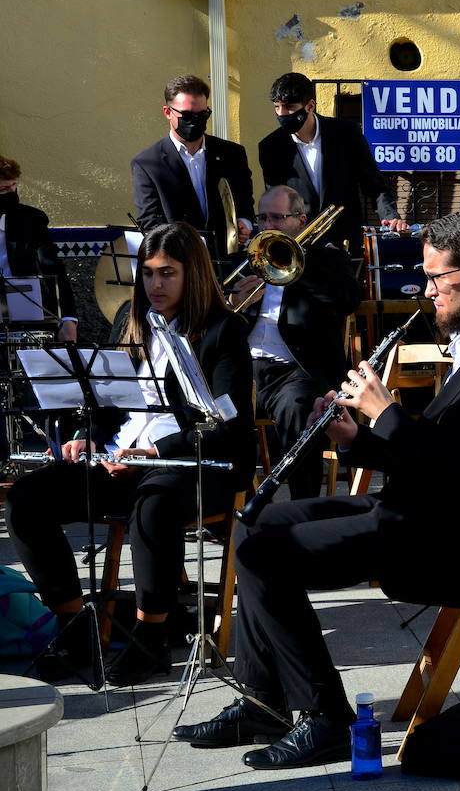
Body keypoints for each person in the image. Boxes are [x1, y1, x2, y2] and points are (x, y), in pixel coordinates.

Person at [171, 209, 460, 770]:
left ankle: (325, 716)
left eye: (436, 278)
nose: (428, 291)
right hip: (417, 511)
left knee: (264, 554)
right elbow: (434, 450)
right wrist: (354, 436)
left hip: (442, 539)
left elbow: (457, 472)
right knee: (255, 524)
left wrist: (386, 411)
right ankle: (262, 703)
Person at [5, 222, 256, 685]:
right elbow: (107, 398)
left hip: (193, 462)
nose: (155, 284)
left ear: (193, 274)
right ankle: (76, 629)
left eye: (168, 273)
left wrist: (153, 450)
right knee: (26, 499)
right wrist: (87, 434)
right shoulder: (130, 320)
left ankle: (150, 638)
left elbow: (226, 422)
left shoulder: (224, 330)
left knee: (154, 505)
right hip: (121, 458)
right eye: (149, 273)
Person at [228, 186, 361, 500]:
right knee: (210, 411)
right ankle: (227, 506)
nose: (268, 225)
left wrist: (299, 269)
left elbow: (350, 300)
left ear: (301, 220)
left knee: (298, 409)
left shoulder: (326, 259)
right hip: (245, 367)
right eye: (263, 218)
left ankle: (304, 505)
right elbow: (209, 319)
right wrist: (232, 302)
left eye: (277, 217)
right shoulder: (243, 261)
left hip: (296, 370)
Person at [258, 72, 406, 254]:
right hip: (302, 247)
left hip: (346, 242)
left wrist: (390, 215)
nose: (281, 114)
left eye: (289, 107)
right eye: (277, 107)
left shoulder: (347, 133)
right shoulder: (270, 147)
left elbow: (374, 184)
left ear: (310, 106)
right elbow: (279, 202)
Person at [132, 75, 256, 268]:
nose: (195, 122)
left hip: (228, 261)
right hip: (181, 264)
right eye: (187, 116)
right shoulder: (147, 164)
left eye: (202, 115)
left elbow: (245, 201)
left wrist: (244, 223)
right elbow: (150, 223)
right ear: (167, 112)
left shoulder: (232, 153)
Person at [0, 156, 78, 342]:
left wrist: (68, 320)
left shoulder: (31, 219)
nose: (11, 193)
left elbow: (53, 267)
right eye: (3, 189)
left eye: (13, 186)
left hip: (24, 318)